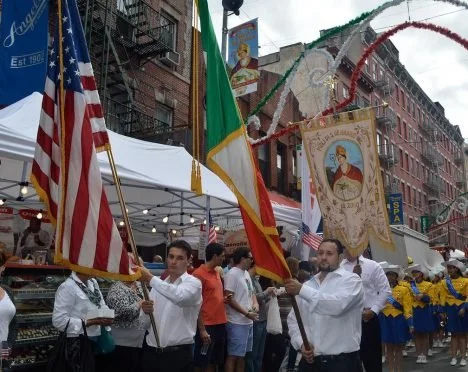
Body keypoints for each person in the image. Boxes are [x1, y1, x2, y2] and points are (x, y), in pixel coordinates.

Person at [286, 238, 364, 372]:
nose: (323, 257)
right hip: (310, 363)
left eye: (329, 254)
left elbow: (337, 306)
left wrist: (302, 290)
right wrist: (301, 343)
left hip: (342, 363)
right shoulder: (308, 285)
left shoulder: (352, 281)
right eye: (320, 253)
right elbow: (293, 320)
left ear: (340, 257)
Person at [139, 240, 202, 372]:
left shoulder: (194, 284)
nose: (174, 262)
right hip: (151, 353)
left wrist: (151, 278)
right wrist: (145, 312)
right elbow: (144, 324)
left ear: (188, 261)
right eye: (171, 256)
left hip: (178, 356)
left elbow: (180, 297)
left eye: (180, 258)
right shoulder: (157, 287)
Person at [341, 247, 391, 372]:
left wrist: (374, 310)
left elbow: (386, 291)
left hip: (368, 319)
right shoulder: (338, 267)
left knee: (372, 362)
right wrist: (354, 276)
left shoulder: (372, 266)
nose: (347, 249)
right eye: (344, 246)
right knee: (350, 362)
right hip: (346, 321)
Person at [52, 271, 113, 371]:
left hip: (96, 339)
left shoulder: (93, 282)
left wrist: (107, 316)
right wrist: (89, 322)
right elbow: (59, 321)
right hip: (77, 343)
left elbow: (101, 304)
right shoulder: (67, 287)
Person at [192, 243, 227, 372]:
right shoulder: (198, 274)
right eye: (222, 256)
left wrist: (224, 300)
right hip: (207, 324)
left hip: (220, 323)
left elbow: (212, 297)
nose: (224, 258)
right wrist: (202, 329)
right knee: (201, 361)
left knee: (214, 360)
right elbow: (196, 304)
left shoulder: (217, 272)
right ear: (214, 256)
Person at [224, 247, 259, 372]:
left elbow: (252, 292)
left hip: (247, 321)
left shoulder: (246, 273)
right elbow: (229, 298)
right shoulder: (232, 274)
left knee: (242, 355)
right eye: (250, 258)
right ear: (242, 258)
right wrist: (246, 313)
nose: (252, 260)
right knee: (233, 355)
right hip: (236, 321)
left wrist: (255, 304)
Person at [105, 280, 154, 370]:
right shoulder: (116, 289)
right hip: (122, 343)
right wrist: (139, 304)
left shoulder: (140, 285)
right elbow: (121, 313)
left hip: (140, 340)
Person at [379, 265, 413, 372]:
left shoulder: (404, 289)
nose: (390, 277)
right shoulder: (381, 289)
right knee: (388, 347)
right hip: (385, 319)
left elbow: (407, 307)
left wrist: (410, 323)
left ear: (396, 276)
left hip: (398, 319)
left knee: (398, 347)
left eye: (392, 275)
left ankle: (399, 370)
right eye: (388, 275)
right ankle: (391, 370)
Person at [245, 263, 275, 372]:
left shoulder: (255, 279)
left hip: (262, 319)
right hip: (256, 319)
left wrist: (269, 295)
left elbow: (260, 299)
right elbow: (252, 298)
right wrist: (266, 292)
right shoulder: (248, 278)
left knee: (259, 354)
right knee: (252, 354)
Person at [439, 259, 468, 367]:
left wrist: (464, 308)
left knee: (462, 335)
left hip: (461, 309)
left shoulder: (466, 281)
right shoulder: (444, 282)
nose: (450, 270)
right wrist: (442, 311)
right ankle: (454, 357)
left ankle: (463, 357)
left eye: (452, 268)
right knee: (453, 335)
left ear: (457, 269)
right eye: (449, 268)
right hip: (450, 309)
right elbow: (442, 297)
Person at [406, 264, 434, 364]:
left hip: (424, 310)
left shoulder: (428, 285)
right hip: (414, 310)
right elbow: (407, 299)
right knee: (416, 334)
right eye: (413, 273)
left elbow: (430, 299)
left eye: (416, 272)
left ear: (421, 274)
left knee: (425, 333)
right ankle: (419, 354)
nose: (414, 274)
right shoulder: (409, 285)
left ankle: (424, 354)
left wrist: (422, 296)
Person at [0, 251, 16, 356]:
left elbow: (14, 322)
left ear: (3, 267)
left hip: (2, 353)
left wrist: (8, 346)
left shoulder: (6, 291)